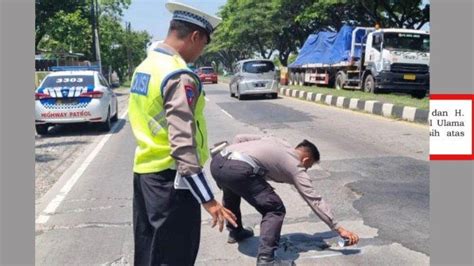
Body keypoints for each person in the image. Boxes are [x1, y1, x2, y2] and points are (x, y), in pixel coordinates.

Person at [128, 1, 237, 265]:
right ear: (195, 36)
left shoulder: (145, 67)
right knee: (175, 256)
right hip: (171, 185)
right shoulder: (178, 75)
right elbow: (182, 144)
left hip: (145, 176)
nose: (200, 51)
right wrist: (208, 200)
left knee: (149, 251)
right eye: (203, 44)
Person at [210, 134, 360, 265]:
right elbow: (314, 200)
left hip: (218, 162)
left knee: (232, 189)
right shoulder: (296, 167)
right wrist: (338, 228)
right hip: (239, 170)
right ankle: (266, 260)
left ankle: (236, 232)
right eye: (308, 166)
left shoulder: (278, 141)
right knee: (274, 209)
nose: (306, 169)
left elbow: (240, 137)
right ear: (306, 159)